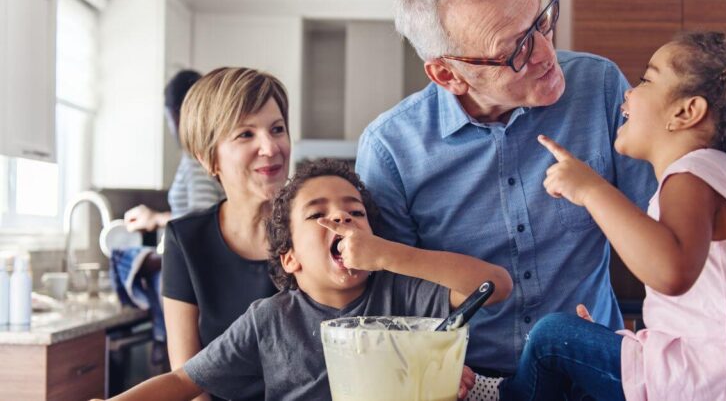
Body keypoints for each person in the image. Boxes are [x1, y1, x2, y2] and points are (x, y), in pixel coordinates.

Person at [355, 0, 657, 376]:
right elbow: (394, 297)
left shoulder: (600, 88)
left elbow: (661, 232)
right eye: (515, 49)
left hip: (596, 369)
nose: (547, 53)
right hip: (464, 383)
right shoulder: (390, 152)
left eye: (541, 22)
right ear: (448, 75)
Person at [498, 24, 726, 400]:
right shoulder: (714, 176)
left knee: (551, 338)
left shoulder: (693, 174)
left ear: (686, 112)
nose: (628, 92)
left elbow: (671, 273)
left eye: (645, 80)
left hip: (716, 376)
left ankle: (498, 394)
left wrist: (592, 189)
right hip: (721, 369)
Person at [95, 159, 514, 401]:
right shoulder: (270, 321)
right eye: (318, 214)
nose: (341, 217)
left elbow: (495, 285)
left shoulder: (404, 292)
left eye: (355, 212)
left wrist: (389, 254)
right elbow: (184, 380)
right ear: (290, 258)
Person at [161, 67, 290, 401]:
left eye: (277, 129)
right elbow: (186, 379)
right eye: (245, 134)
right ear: (208, 159)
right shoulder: (184, 240)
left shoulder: (316, 229)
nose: (270, 147)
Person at [123, 69, 225, 233]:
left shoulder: (197, 156)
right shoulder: (203, 152)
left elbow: (201, 217)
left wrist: (156, 218)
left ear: (178, 114)